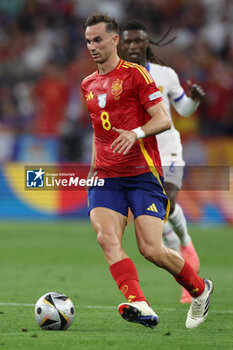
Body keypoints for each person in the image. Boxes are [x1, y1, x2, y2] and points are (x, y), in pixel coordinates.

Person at [81, 13, 213, 329]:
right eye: (88, 41)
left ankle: (200, 289)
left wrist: (137, 133)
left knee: (151, 249)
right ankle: (139, 302)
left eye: (98, 39)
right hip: (107, 175)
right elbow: (99, 133)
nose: (92, 46)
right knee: (106, 237)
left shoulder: (137, 76)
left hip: (143, 174)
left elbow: (163, 119)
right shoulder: (88, 84)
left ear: (115, 40)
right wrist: (91, 169)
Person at [121, 19, 205, 304]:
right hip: (138, 156)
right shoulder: (116, 76)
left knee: (167, 202)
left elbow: (183, 108)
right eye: (128, 41)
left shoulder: (165, 74)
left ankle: (186, 246)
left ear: (147, 42)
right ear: (121, 45)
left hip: (167, 150)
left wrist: (193, 100)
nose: (133, 46)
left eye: (138, 40)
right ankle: (185, 269)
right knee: (156, 216)